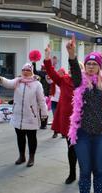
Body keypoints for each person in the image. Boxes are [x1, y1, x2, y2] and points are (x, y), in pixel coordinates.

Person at [67, 35, 102, 193]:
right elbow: (74, 69)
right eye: (88, 63)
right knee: (85, 169)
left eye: (94, 64)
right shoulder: (80, 81)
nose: (91, 66)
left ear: (99, 67)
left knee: (99, 170)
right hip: (83, 133)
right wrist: (72, 54)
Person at [0, 63, 48, 167]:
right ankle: (22, 156)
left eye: (28, 70)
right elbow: (8, 83)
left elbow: (41, 100)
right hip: (18, 115)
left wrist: (44, 113)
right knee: (20, 137)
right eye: (23, 70)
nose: (25, 72)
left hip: (31, 116)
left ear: (32, 71)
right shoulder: (17, 81)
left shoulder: (37, 84)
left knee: (31, 138)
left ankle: (31, 157)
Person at [43, 46, 78, 184]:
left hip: (83, 121)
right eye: (70, 69)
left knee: (83, 150)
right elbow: (51, 73)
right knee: (71, 148)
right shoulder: (64, 80)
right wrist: (47, 57)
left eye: (75, 69)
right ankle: (72, 173)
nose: (71, 71)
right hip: (68, 122)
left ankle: (84, 174)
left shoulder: (84, 83)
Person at [32, 63, 51, 129]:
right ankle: (43, 124)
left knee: (43, 109)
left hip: (44, 94)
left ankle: (43, 124)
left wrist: (34, 63)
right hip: (46, 94)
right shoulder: (49, 73)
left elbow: (35, 72)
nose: (42, 69)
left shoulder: (44, 73)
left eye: (43, 68)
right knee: (44, 109)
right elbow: (35, 72)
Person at [49, 68, 63, 138]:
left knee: (62, 117)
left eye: (61, 72)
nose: (59, 74)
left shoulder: (65, 81)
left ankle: (63, 133)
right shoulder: (54, 80)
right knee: (55, 118)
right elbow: (49, 77)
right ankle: (55, 132)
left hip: (62, 101)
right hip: (54, 101)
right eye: (58, 72)